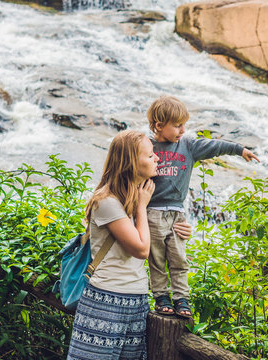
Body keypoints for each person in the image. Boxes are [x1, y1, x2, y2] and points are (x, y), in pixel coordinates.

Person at [67, 130, 191, 360]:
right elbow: (142, 249)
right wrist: (142, 207)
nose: (158, 159)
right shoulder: (107, 201)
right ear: (131, 162)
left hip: (136, 301)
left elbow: (156, 240)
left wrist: (180, 231)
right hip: (105, 302)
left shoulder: (136, 197)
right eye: (151, 155)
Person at [146, 95, 259, 318]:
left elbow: (214, 146)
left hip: (177, 212)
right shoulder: (146, 147)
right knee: (157, 259)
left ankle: (181, 298)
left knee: (178, 258)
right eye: (177, 125)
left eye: (184, 124)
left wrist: (239, 149)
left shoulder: (188, 145)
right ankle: (161, 296)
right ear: (159, 125)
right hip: (152, 212)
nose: (182, 130)